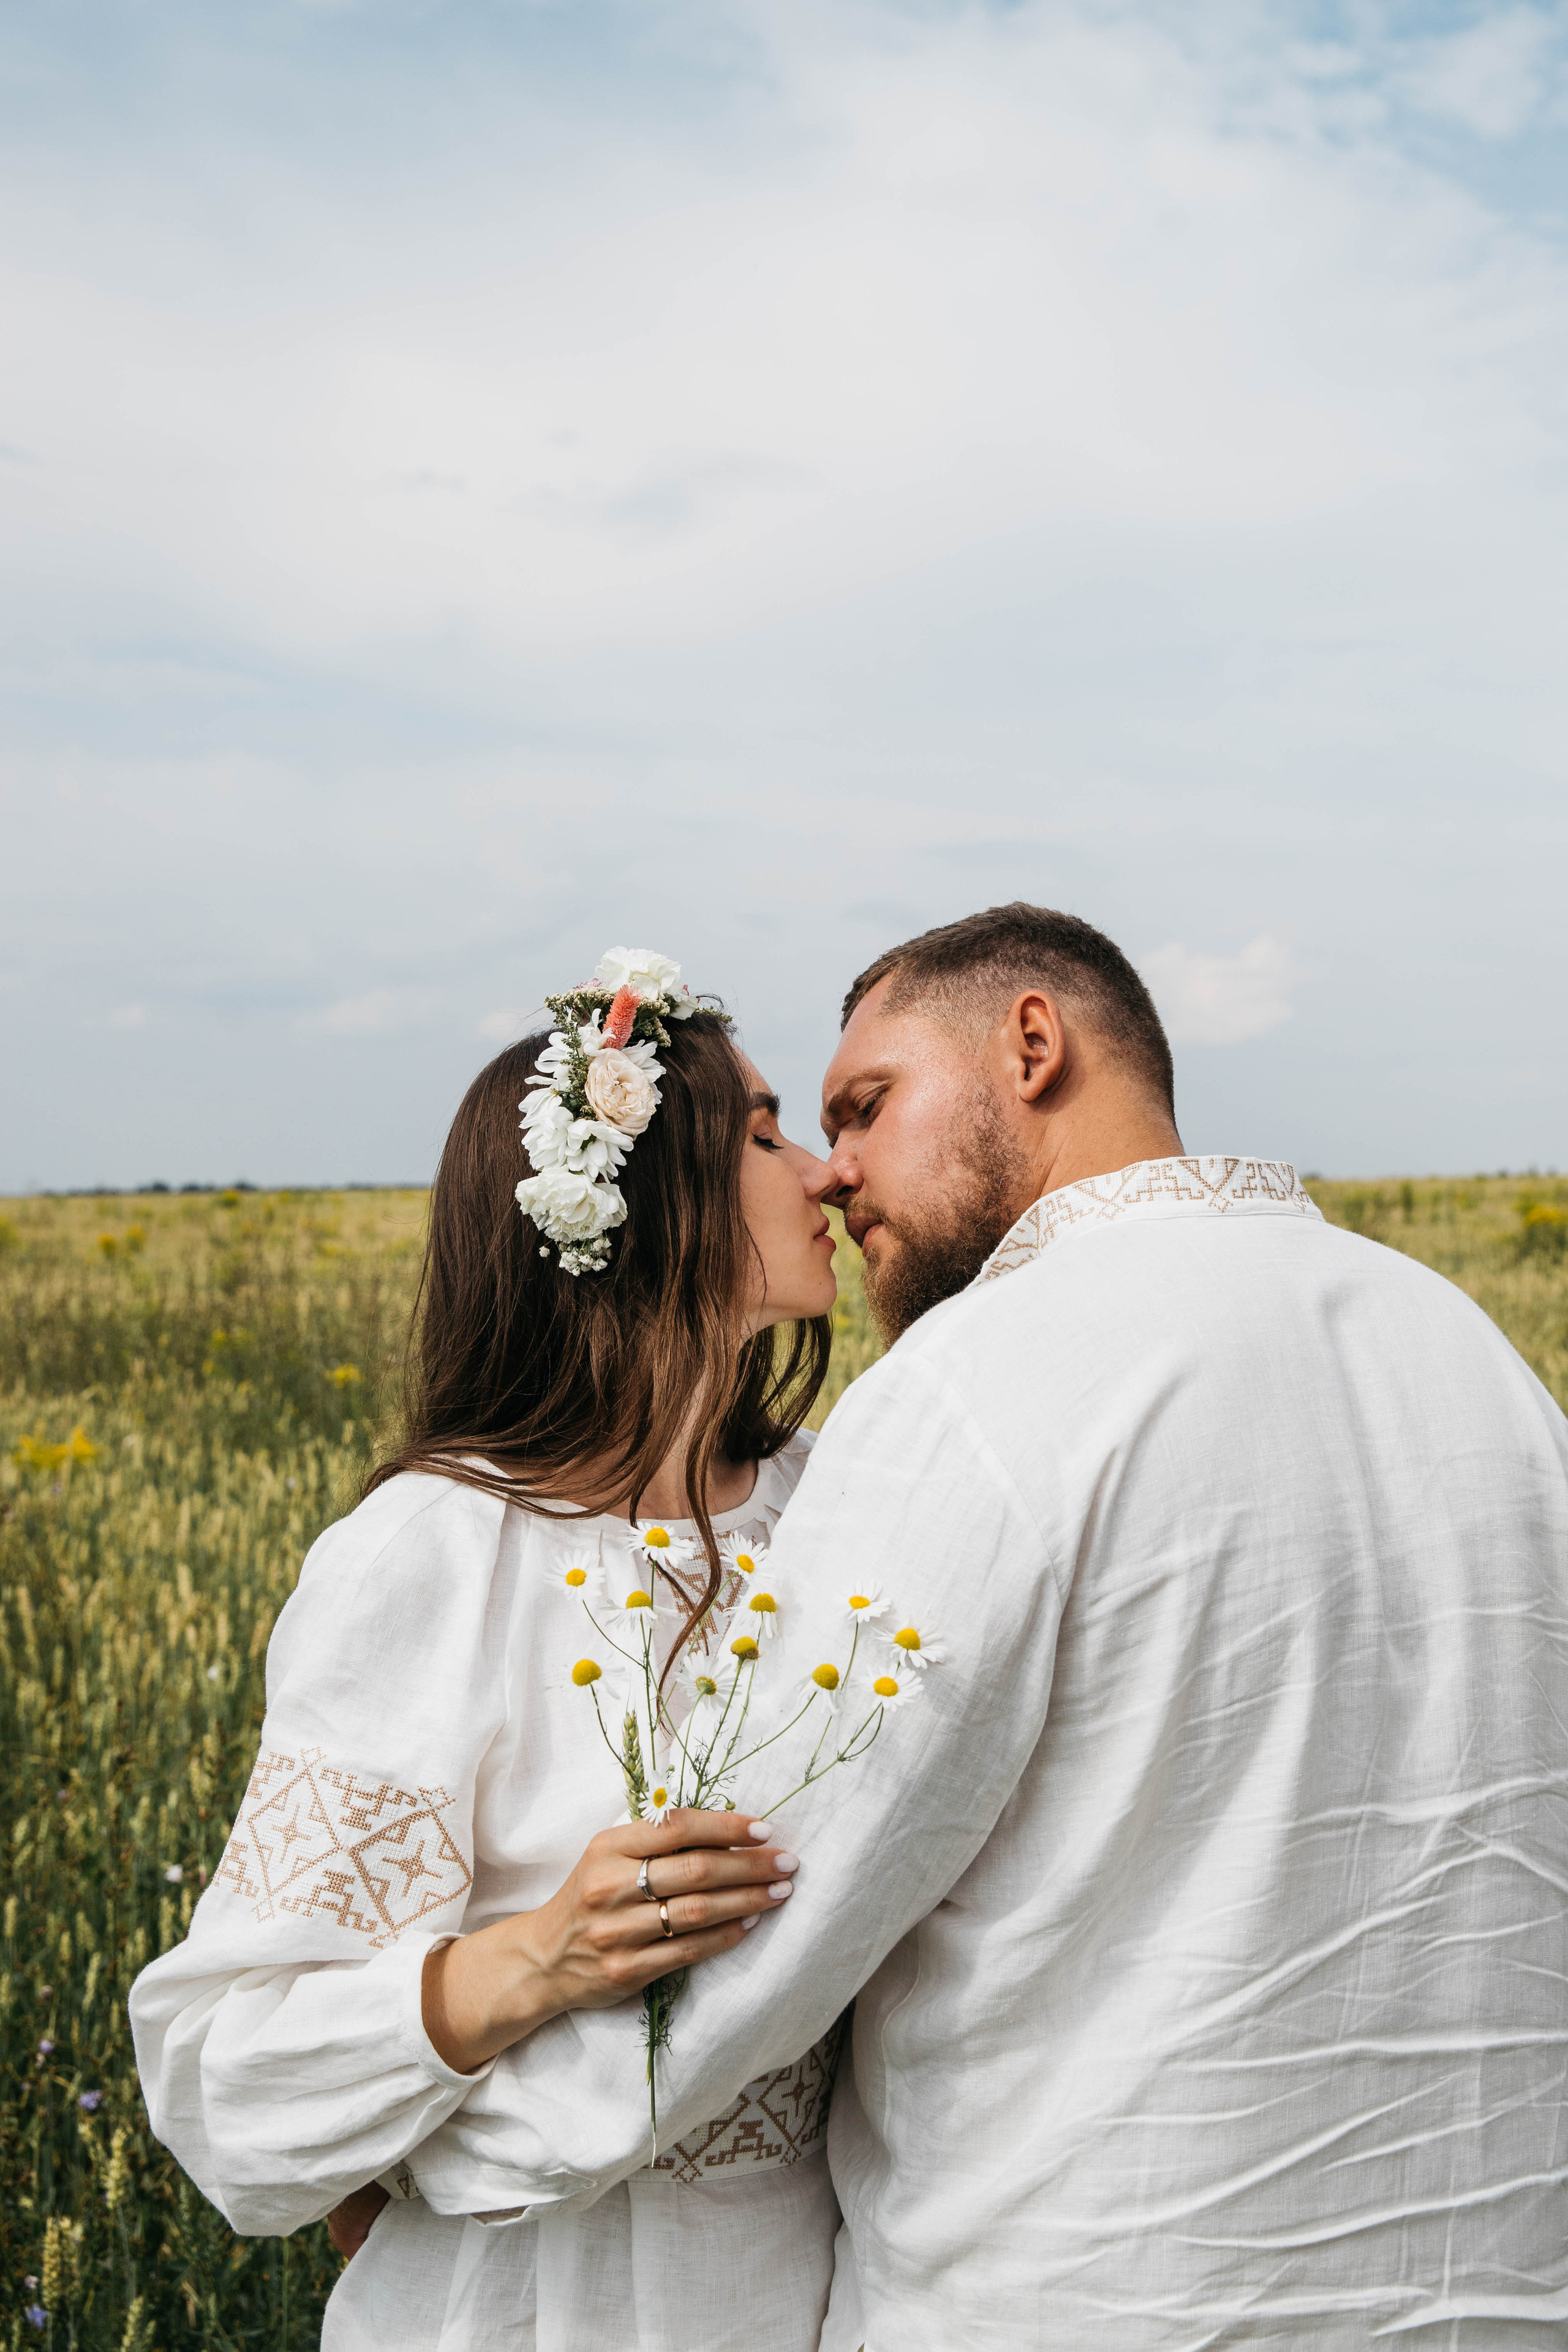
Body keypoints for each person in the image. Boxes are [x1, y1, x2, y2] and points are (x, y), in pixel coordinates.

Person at [393, 903, 1568, 2347]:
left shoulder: (982, 1381)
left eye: (866, 1107)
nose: (839, 1173)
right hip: (1492, 2296)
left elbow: (747, 1920)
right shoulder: (1471, 1357)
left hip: (1089, 2295)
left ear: (1031, 1043)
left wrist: (407, 2146)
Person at [130, 948, 848, 2351]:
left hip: (824, 2288)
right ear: (639, 1206)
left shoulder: (833, 1507)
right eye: (765, 1136)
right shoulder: (438, 1552)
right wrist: (539, 1959)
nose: (823, 1173)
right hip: (535, 2305)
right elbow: (235, 2081)